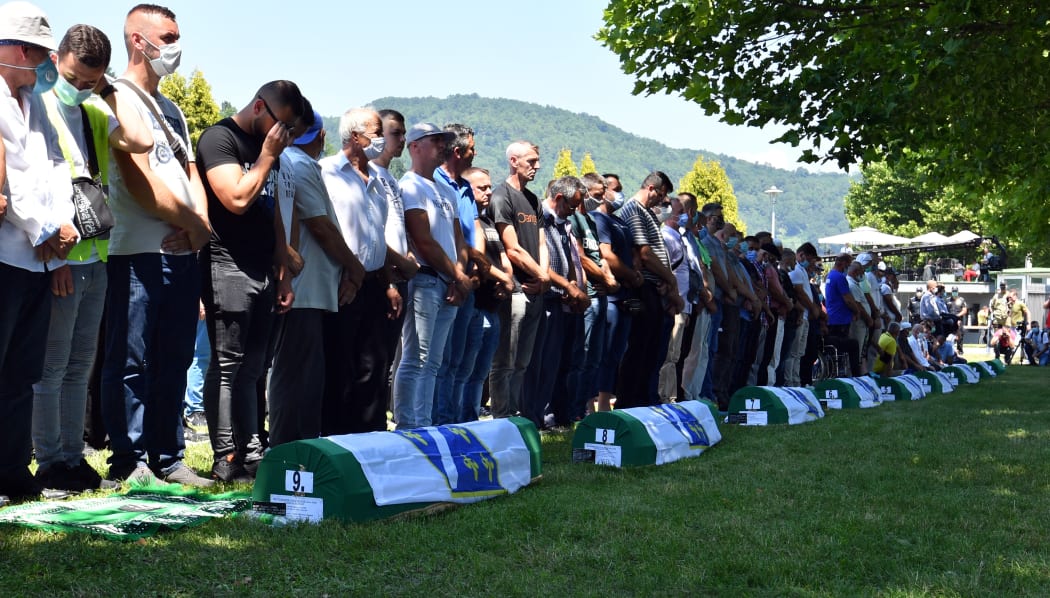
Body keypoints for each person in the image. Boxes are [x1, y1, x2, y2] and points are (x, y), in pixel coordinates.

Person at [32, 23, 153, 492]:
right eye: (74, 77)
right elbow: (37, 183)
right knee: (53, 364)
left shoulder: (97, 107)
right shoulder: (39, 104)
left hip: (96, 253)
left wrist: (108, 89)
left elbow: (140, 140)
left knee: (81, 363)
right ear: (57, 59)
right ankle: (50, 461)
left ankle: (71, 456)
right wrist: (53, 258)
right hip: (57, 255)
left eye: (90, 81)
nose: (79, 87)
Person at [101, 4, 213, 487]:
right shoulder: (115, 98)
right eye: (167, 37)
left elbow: (190, 173)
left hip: (183, 253)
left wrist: (200, 226)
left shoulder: (172, 109)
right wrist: (191, 222)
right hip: (137, 251)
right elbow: (140, 182)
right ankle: (130, 458)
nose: (176, 46)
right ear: (137, 41)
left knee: (175, 358)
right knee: (131, 359)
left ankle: (168, 454)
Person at [196, 80, 305, 481]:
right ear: (260, 107)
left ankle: (252, 450)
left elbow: (272, 210)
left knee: (255, 368)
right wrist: (266, 157)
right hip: (227, 263)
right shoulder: (219, 139)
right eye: (284, 125)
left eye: (292, 130)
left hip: (263, 269)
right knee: (227, 365)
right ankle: (225, 455)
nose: (287, 136)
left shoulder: (269, 152)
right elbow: (238, 199)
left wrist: (283, 271)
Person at [0, 1, 78, 502]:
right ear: (11, 47)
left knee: (22, 374)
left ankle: (11, 471)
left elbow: (55, 171)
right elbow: (9, 183)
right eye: (34, 51)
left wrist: (63, 227)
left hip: (37, 257)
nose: (42, 62)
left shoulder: (36, 105)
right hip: (8, 250)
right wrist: (44, 227)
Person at [268, 107, 363, 446]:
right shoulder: (301, 164)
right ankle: (290, 444)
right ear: (321, 136)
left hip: (306, 286)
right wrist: (354, 267)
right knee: (298, 373)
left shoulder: (292, 162)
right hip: (303, 287)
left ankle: (298, 441)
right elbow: (320, 226)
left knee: (304, 372)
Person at [317, 108, 394, 435]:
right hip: (341, 281)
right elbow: (323, 229)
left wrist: (388, 282)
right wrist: (349, 271)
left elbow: (378, 234)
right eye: (376, 132)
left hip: (374, 282)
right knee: (340, 365)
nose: (382, 139)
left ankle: (371, 436)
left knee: (374, 366)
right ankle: (337, 437)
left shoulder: (377, 179)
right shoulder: (327, 172)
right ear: (354, 136)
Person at [392, 123, 471, 429]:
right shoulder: (410, 185)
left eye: (443, 141)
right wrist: (457, 277)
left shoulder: (445, 190)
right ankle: (408, 424)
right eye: (435, 140)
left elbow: (457, 240)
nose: (442, 146)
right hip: (425, 280)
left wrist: (458, 275)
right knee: (416, 357)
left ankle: (423, 424)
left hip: (448, 281)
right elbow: (423, 239)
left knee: (434, 362)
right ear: (415, 146)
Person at [488, 141, 548, 419]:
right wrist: (540, 275)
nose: (536, 166)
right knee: (505, 360)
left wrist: (544, 278)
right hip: (516, 289)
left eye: (537, 161)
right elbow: (511, 247)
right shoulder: (501, 196)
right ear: (513, 160)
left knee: (523, 361)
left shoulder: (534, 200)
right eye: (531, 161)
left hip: (537, 288)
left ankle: (515, 414)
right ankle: (502, 415)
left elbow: (541, 243)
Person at [615, 172, 683, 408]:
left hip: (655, 286)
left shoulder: (648, 215)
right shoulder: (634, 210)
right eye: (662, 196)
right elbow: (644, 253)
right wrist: (670, 280)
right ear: (652, 188)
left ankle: (643, 398)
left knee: (652, 349)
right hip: (642, 287)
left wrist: (665, 278)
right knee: (639, 347)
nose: (662, 202)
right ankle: (630, 400)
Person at [432, 124, 481, 426]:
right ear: (458, 151)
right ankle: (438, 421)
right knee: (439, 360)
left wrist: (474, 269)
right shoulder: (434, 183)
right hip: (444, 279)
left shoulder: (464, 187)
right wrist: (455, 276)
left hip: (467, 282)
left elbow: (470, 233)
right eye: (473, 148)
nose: (475, 153)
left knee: (457, 361)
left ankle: (453, 421)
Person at [460, 167, 514, 421]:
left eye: (489, 187)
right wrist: (503, 277)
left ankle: (471, 418)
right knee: (466, 370)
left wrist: (507, 278)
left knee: (481, 373)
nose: (488, 192)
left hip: (493, 308)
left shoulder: (489, 221)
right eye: (482, 187)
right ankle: (462, 419)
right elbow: (478, 258)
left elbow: (501, 255)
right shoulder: (469, 221)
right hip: (475, 305)